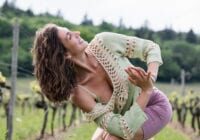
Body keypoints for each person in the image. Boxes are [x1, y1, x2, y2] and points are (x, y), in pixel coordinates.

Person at [31, 23, 172, 140]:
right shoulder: (79, 93)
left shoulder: (104, 42)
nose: (77, 33)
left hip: (154, 105)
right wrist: (145, 91)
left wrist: (149, 82)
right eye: (70, 36)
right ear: (65, 55)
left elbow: (151, 48)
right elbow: (122, 128)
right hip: (125, 120)